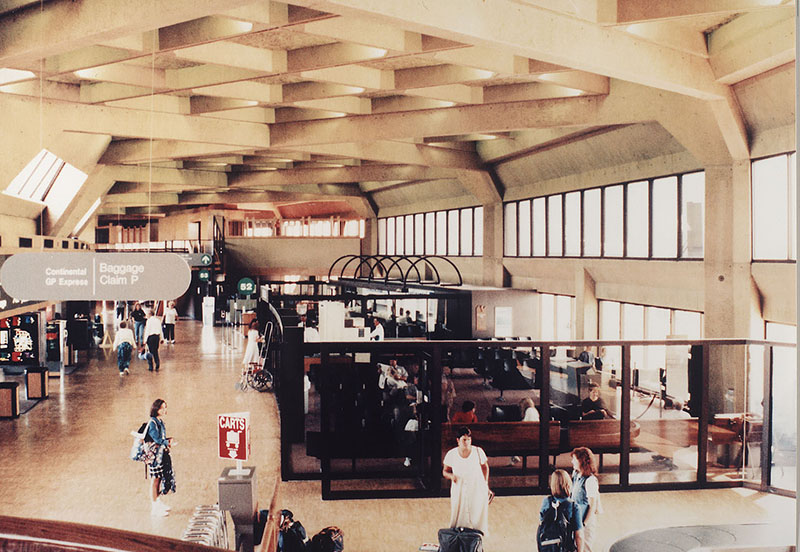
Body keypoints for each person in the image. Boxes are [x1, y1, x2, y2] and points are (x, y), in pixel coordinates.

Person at [442, 426, 493, 536]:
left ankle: (477, 535)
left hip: (476, 486)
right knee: (459, 511)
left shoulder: (478, 451)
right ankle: (459, 534)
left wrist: (486, 484)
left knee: (477, 510)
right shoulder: (451, 454)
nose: (467, 442)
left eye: (469, 439)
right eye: (464, 440)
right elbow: (445, 471)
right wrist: (452, 476)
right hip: (459, 487)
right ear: (458, 440)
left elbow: (485, 467)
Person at [538, 469, 584, 552]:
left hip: (548, 547)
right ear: (568, 484)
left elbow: (541, 523)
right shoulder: (574, 506)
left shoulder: (546, 501)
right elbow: (579, 535)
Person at [146, 398, 176, 516]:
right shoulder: (153, 423)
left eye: (165, 407)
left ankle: (158, 502)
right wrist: (167, 442)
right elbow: (156, 439)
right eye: (162, 408)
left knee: (159, 479)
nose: (164, 410)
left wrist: (167, 440)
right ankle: (154, 506)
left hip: (160, 455)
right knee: (155, 480)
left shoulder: (160, 422)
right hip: (154, 458)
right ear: (156, 409)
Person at [571, 447, 600, 552]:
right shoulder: (576, 475)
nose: (572, 461)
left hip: (585, 522)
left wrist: (584, 524)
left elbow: (592, 506)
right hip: (577, 520)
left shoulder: (590, 481)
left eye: (574, 459)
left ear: (581, 461)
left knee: (585, 548)